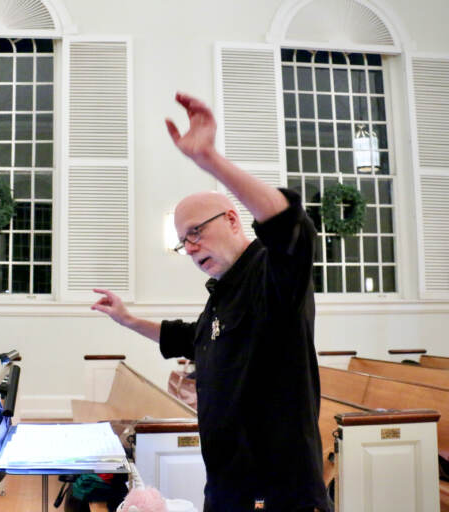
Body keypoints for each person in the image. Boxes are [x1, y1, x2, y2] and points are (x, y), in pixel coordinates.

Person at [91, 93, 331, 512]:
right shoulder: (223, 290)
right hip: (226, 488)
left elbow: (292, 226)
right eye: (184, 240)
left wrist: (210, 160)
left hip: (278, 492)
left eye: (196, 230)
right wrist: (129, 320)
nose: (190, 245)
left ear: (233, 220)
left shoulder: (271, 272)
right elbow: (190, 337)